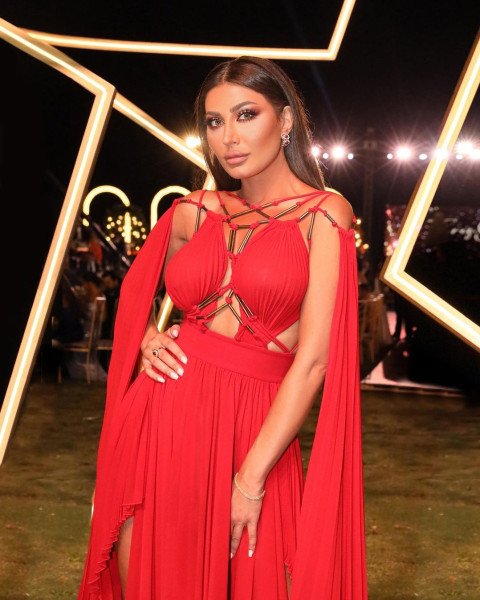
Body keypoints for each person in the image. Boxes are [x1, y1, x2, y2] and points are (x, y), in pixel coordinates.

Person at [77, 56, 367, 600]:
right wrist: (147, 338)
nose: (228, 137)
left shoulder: (325, 213)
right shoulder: (195, 211)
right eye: (214, 122)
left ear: (285, 120)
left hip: (256, 431)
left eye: (245, 114)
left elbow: (314, 362)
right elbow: (135, 294)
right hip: (161, 417)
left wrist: (250, 479)